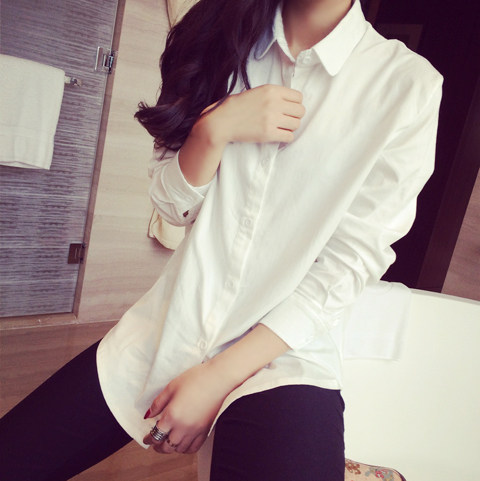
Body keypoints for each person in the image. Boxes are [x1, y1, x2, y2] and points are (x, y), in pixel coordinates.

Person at [0, 0, 443, 480]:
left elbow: (350, 261)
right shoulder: (214, 37)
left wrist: (217, 378)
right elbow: (172, 206)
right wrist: (213, 130)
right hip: (166, 326)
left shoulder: (408, 85)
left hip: (285, 355)